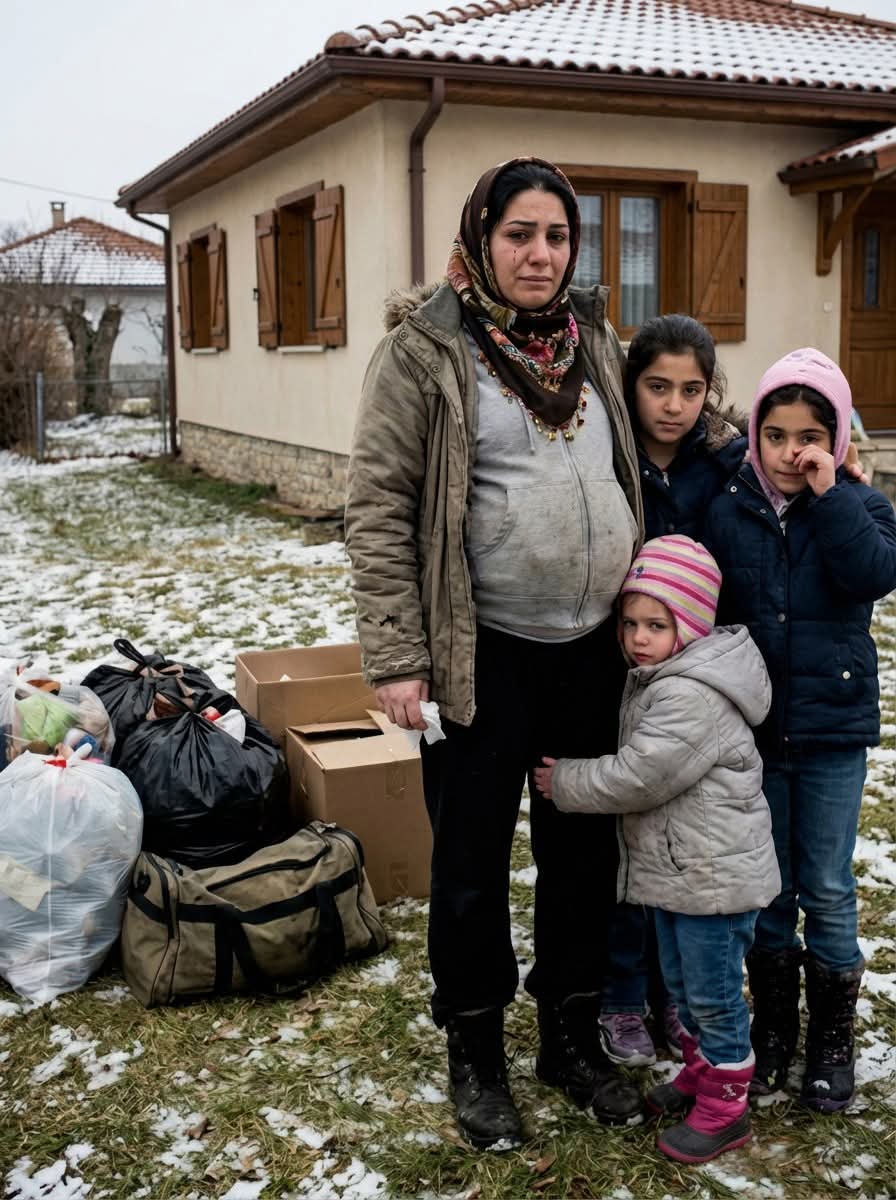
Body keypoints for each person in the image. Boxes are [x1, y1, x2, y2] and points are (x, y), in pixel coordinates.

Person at [344, 157, 645, 1150]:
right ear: (482, 238)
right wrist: (399, 656)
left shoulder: (592, 338)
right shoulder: (425, 351)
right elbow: (378, 508)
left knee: (581, 855)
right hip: (480, 658)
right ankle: (474, 1051)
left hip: (590, 652)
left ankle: (569, 1038)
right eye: (518, 233)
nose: (539, 254)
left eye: (556, 236)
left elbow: (648, 444)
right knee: (471, 863)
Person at [534, 534, 781, 1164]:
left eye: (656, 625)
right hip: (684, 874)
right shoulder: (662, 677)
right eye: (630, 624)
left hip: (714, 880)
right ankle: (701, 1073)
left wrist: (566, 781)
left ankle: (726, 1106)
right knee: (682, 983)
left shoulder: (690, 694)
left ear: (690, 626)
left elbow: (640, 776)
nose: (638, 638)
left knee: (713, 995)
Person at [703, 348, 896, 1111]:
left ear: (837, 439)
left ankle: (831, 1039)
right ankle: (776, 1025)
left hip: (832, 734)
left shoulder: (862, 507)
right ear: (756, 435)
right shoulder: (730, 507)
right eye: (777, 436)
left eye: (810, 437)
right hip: (755, 733)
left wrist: (832, 495)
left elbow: (872, 574)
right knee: (771, 887)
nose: (792, 453)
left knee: (828, 885)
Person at [599, 314, 746, 1068]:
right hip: (614, 664)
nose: (674, 405)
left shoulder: (725, 463)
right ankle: (621, 994)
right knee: (624, 840)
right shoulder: (607, 450)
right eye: (658, 386)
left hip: (691, 683)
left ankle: (670, 995)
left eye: (692, 390)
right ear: (633, 385)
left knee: (676, 842)